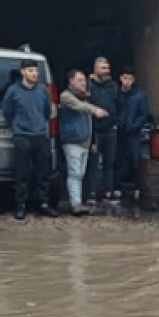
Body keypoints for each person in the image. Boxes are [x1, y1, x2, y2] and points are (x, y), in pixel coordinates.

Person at [2, 59, 58, 220]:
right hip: (22, 137)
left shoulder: (42, 91)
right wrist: (19, 126)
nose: (35, 74)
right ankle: (21, 205)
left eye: (36, 71)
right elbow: (7, 113)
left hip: (40, 136)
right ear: (23, 72)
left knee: (43, 173)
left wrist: (40, 126)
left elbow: (47, 112)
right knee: (22, 174)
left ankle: (44, 204)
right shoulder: (13, 91)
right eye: (31, 71)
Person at [59, 69, 106, 216]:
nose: (83, 83)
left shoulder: (85, 98)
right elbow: (79, 106)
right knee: (74, 173)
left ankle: (77, 201)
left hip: (84, 142)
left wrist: (91, 140)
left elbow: (89, 121)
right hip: (72, 141)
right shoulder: (66, 96)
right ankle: (76, 204)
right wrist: (95, 109)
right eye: (79, 80)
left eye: (84, 80)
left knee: (80, 173)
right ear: (71, 81)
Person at [85, 57, 119, 205]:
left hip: (110, 128)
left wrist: (117, 121)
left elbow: (119, 104)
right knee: (92, 162)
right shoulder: (88, 85)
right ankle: (91, 192)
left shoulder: (113, 85)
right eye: (103, 68)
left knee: (109, 162)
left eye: (107, 68)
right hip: (94, 129)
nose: (106, 71)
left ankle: (108, 191)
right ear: (95, 69)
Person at [115, 65, 150, 199]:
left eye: (130, 78)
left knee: (135, 160)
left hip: (134, 133)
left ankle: (137, 188)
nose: (127, 81)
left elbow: (144, 114)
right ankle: (119, 187)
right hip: (120, 132)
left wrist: (134, 126)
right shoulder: (117, 94)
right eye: (125, 78)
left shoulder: (140, 95)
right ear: (120, 79)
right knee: (119, 160)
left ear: (133, 80)